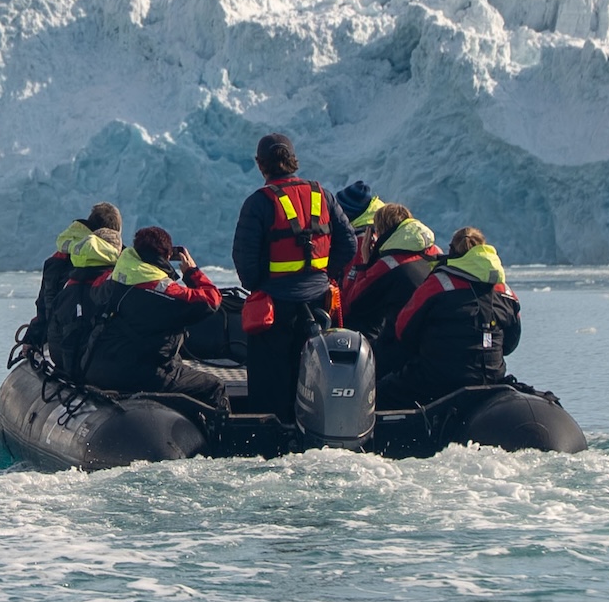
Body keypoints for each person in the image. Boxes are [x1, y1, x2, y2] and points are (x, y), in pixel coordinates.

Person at [232, 134, 356, 416]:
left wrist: (259, 284)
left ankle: (270, 440)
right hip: (320, 303)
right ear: (292, 160)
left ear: (260, 164)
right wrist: (323, 274)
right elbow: (349, 244)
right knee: (316, 373)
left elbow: (245, 260)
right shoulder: (321, 195)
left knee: (270, 383)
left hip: (274, 308)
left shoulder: (259, 203)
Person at [79, 226, 228, 403]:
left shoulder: (113, 280)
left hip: (99, 369)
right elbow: (211, 300)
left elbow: (96, 287)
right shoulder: (166, 291)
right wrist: (192, 272)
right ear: (167, 256)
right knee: (215, 386)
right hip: (141, 374)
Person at [385, 225, 522, 407]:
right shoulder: (506, 292)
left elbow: (403, 330)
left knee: (383, 392)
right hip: (491, 379)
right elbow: (511, 343)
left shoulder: (437, 284)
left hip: (438, 380)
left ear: (451, 251)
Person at [340, 205, 441, 382]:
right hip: (431, 343)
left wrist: (365, 263)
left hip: (400, 348)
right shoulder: (435, 252)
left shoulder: (388, 264)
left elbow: (354, 303)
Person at [21, 204, 121, 351]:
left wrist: (31, 338)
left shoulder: (56, 260)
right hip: (96, 346)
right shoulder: (114, 261)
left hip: (57, 342)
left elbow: (44, 308)